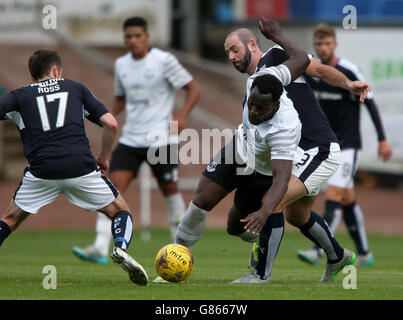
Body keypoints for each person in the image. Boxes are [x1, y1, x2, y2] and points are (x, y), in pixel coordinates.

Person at [175, 18, 355, 284]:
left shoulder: (277, 57)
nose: (231, 57)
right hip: (271, 150)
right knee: (297, 215)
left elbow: (316, 69)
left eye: (234, 49)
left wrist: (348, 85)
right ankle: (337, 257)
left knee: (272, 203)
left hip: (314, 148)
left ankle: (261, 274)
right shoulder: (259, 80)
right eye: (227, 53)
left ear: (252, 44)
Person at [0, 50, 148, 285]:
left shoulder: (18, 96)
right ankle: (120, 248)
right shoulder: (75, 88)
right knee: (120, 211)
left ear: (32, 74)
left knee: (10, 218)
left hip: (42, 171)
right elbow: (111, 123)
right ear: (57, 70)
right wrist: (104, 156)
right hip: (80, 167)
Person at [72, 17, 200, 265]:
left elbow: (193, 88)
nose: (132, 41)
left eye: (137, 36)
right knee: (109, 192)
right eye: (128, 37)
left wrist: (182, 116)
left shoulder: (164, 60)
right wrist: (106, 115)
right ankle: (100, 247)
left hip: (160, 139)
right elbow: (120, 98)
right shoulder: (122, 65)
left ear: (146, 37)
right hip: (130, 139)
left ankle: (181, 252)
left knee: (171, 193)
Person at [298, 23, 392, 266]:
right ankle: (364, 253)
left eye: (327, 43)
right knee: (347, 197)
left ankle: (319, 250)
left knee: (333, 193)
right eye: (319, 44)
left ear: (335, 44)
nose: (323, 47)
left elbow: (368, 101)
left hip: (349, 145)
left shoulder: (348, 70)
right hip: (326, 145)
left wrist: (382, 139)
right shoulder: (314, 72)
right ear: (315, 45)